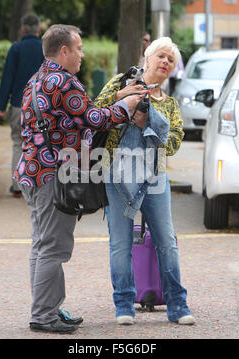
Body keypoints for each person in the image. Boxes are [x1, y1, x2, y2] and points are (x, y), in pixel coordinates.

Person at [13, 24, 146, 334]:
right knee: (53, 247)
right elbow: (95, 118)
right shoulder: (65, 81)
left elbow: (77, 117)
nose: (82, 55)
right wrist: (125, 106)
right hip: (53, 176)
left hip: (31, 171)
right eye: (79, 48)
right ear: (64, 51)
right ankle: (44, 315)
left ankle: (47, 308)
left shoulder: (37, 80)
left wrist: (116, 97)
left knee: (41, 244)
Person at [94, 37, 195, 326]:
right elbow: (94, 113)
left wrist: (147, 122)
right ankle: (124, 305)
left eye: (171, 60)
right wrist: (120, 97)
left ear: (173, 70)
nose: (165, 62)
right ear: (147, 59)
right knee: (120, 244)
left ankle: (178, 305)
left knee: (167, 242)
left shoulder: (171, 105)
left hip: (155, 179)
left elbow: (174, 143)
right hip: (117, 176)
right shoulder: (120, 83)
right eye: (161, 56)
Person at [0, 14, 44, 198]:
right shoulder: (45, 49)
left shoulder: (15, 49)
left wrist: (2, 104)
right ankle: (35, 185)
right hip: (41, 106)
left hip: (18, 104)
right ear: (39, 30)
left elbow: (7, 77)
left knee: (18, 143)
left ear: (23, 29)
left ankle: (17, 186)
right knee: (38, 144)